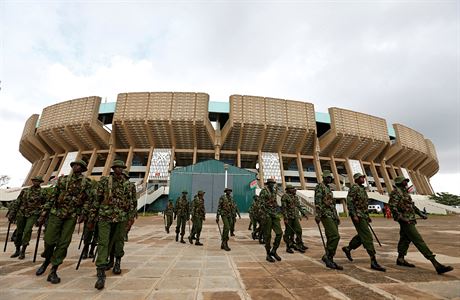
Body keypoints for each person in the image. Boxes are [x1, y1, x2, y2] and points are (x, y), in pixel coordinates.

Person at [35, 160, 93, 284]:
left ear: (82, 168)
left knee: (63, 243)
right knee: (49, 240)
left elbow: (88, 200)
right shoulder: (63, 180)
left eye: (78, 165)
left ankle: (54, 269)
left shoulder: (86, 183)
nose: (75, 167)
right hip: (57, 213)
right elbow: (53, 197)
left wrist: (83, 213)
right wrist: (43, 213)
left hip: (71, 215)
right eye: (74, 165)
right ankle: (46, 261)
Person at [389, 176, 453, 275]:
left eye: (406, 181)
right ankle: (435, 263)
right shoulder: (396, 193)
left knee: (405, 239)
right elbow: (392, 206)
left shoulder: (405, 192)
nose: (406, 182)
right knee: (418, 240)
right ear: (399, 182)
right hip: (406, 221)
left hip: (410, 219)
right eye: (404, 181)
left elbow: (411, 205)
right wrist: (401, 218)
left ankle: (400, 259)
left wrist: (420, 213)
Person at [91, 160, 136, 290]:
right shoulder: (105, 182)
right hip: (105, 216)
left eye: (121, 168)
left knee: (118, 241)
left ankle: (117, 261)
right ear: (113, 169)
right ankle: (101, 270)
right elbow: (97, 199)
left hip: (121, 217)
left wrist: (131, 217)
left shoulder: (128, 185)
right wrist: (92, 217)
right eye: (117, 167)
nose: (119, 170)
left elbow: (132, 202)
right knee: (103, 242)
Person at [342, 173, 386, 272]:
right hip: (358, 216)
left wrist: (367, 216)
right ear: (357, 179)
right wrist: (354, 215)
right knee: (367, 237)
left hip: (363, 216)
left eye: (363, 177)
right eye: (361, 177)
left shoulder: (362, 189)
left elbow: (364, 204)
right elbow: (350, 202)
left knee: (362, 236)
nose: (363, 179)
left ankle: (348, 248)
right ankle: (373, 261)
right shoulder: (354, 188)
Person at [8, 176, 47, 260]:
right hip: (21, 213)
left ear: (40, 182)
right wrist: (12, 213)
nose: (36, 182)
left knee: (27, 230)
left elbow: (45, 204)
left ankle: (23, 251)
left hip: (33, 214)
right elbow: (18, 201)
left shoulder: (42, 192)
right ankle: (17, 249)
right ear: (32, 181)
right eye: (35, 181)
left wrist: (42, 214)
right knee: (19, 232)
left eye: (38, 181)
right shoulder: (25, 191)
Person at [314, 171, 342, 270]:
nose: (329, 179)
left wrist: (337, 216)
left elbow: (332, 205)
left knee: (331, 237)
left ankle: (329, 257)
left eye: (330, 177)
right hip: (325, 215)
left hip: (332, 215)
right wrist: (317, 215)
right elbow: (317, 202)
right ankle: (328, 257)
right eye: (327, 177)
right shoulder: (319, 187)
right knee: (335, 236)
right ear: (323, 178)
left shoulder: (329, 189)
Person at [259, 178, 283, 263]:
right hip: (266, 215)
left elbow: (275, 202)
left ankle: (274, 250)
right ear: (267, 184)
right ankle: (268, 254)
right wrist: (263, 216)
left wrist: (279, 209)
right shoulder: (264, 191)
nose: (272, 184)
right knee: (268, 235)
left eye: (273, 183)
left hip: (274, 214)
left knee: (279, 233)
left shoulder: (274, 192)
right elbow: (260, 204)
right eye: (271, 183)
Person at [281, 185, 307, 254]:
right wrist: (285, 218)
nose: (293, 190)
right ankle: (288, 247)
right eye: (292, 188)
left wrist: (303, 213)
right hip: (289, 217)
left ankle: (299, 244)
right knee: (288, 233)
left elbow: (298, 206)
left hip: (295, 217)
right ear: (288, 189)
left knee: (299, 230)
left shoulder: (295, 197)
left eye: (293, 188)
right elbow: (284, 208)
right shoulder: (285, 197)